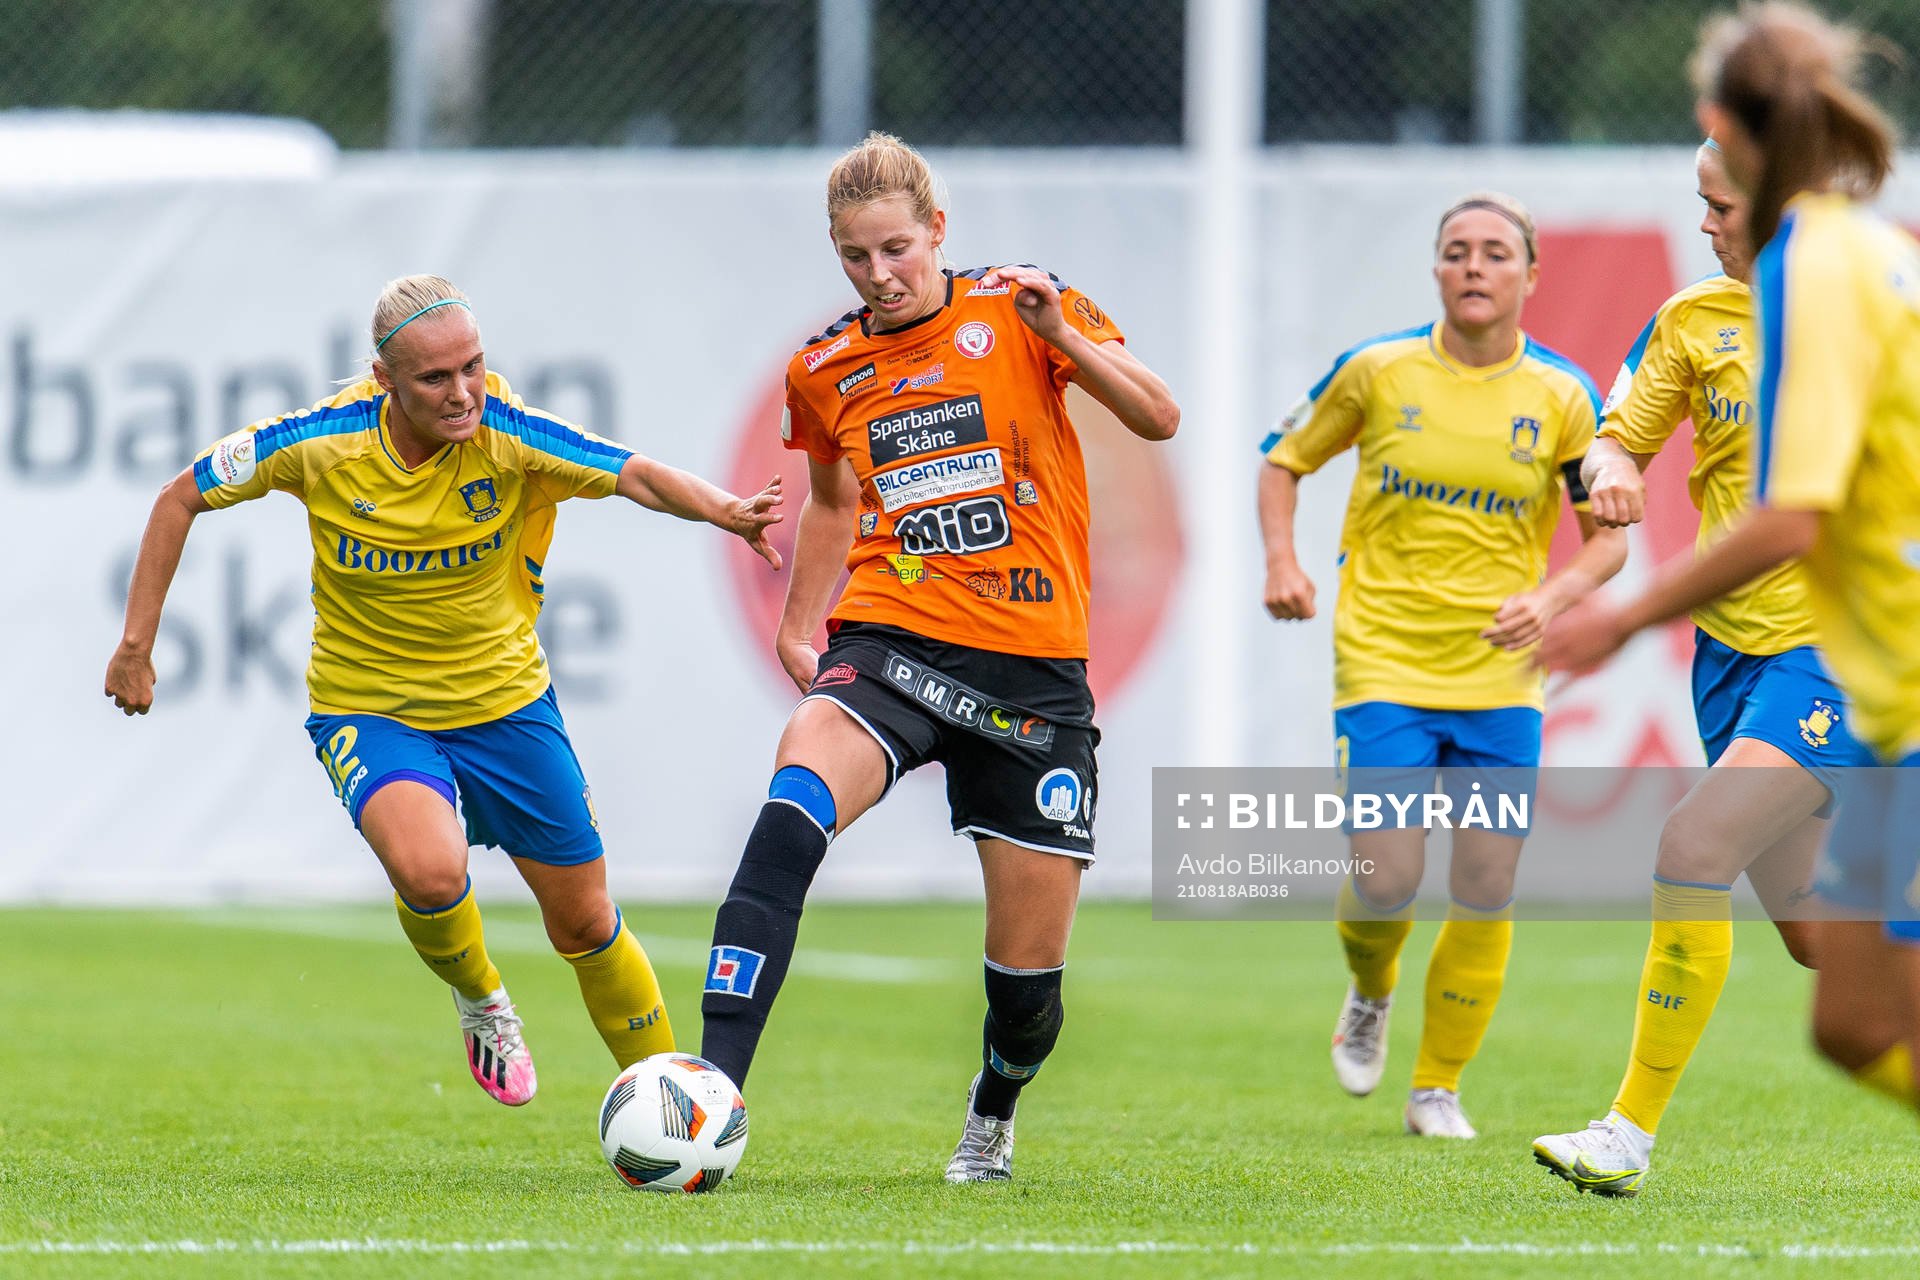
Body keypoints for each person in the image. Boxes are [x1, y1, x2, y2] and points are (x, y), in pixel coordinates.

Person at [104, 275, 783, 1107]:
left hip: (507, 706)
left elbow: (632, 473)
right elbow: (180, 498)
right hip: (370, 709)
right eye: (435, 378)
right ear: (384, 381)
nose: (463, 392)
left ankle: (680, 1107)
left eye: (473, 366)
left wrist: (728, 511)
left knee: (584, 922)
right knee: (431, 874)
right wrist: (136, 645)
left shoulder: (507, 430)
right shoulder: (319, 442)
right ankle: (482, 999)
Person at [695, 132, 1178, 1183]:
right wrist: (797, 621)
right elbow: (833, 497)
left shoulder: (1020, 305)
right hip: (891, 641)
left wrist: (1067, 338)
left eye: (898, 249)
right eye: (857, 258)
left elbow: (1158, 413)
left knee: (1028, 989)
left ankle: (993, 1108)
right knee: (788, 817)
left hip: (1031, 674)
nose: (881, 274)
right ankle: (709, 1094)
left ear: (938, 232)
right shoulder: (824, 368)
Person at [1542, 0, 1919, 1132]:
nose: (1704, 224)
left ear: (1735, 130)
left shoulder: (1832, 275)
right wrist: (1606, 468)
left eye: (1716, 202)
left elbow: (1792, 519)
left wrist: (1619, 617)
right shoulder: (1724, 308)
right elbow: (1619, 434)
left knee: (1691, 841)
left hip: (1858, 659)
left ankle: (1625, 1132)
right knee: (1844, 996)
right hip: (1760, 661)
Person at [1259, 192, 1626, 1140]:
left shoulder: (1563, 397)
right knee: (1386, 877)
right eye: (1457, 251)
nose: (1474, 266)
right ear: (1435, 269)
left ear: (1529, 277)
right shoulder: (1377, 371)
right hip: (1382, 659)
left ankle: (1438, 1087)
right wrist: (1283, 561)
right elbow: (1282, 460)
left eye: (1495, 253)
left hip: (1502, 678)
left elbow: (1607, 544)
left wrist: (1547, 601)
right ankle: (1371, 989)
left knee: (1487, 880)